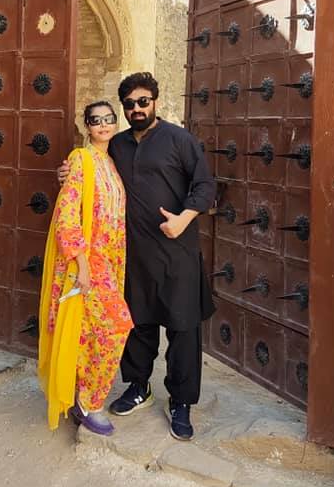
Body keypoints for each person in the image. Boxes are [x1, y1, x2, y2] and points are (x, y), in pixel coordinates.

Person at [58, 73, 216, 441]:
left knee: (182, 329)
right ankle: (138, 386)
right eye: (129, 104)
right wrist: (65, 171)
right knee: (138, 324)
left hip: (177, 253)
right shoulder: (119, 144)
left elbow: (205, 184)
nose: (136, 109)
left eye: (143, 102)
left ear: (155, 101)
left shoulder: (179, 139)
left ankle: (180, 402)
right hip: (132, 254)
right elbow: (90, 171)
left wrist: (185, 218)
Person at [38, 101, 133, 436]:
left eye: (109, 119)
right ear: (87, 126)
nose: (104, 125)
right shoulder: (81, 159)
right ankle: (88, 401)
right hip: (87, 261)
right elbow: (67, 214)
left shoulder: (112, 162)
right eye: (96, 120)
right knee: (116, 326)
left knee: (90, 331)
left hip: (108, 260)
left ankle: (80, 394)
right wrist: (80, 262)